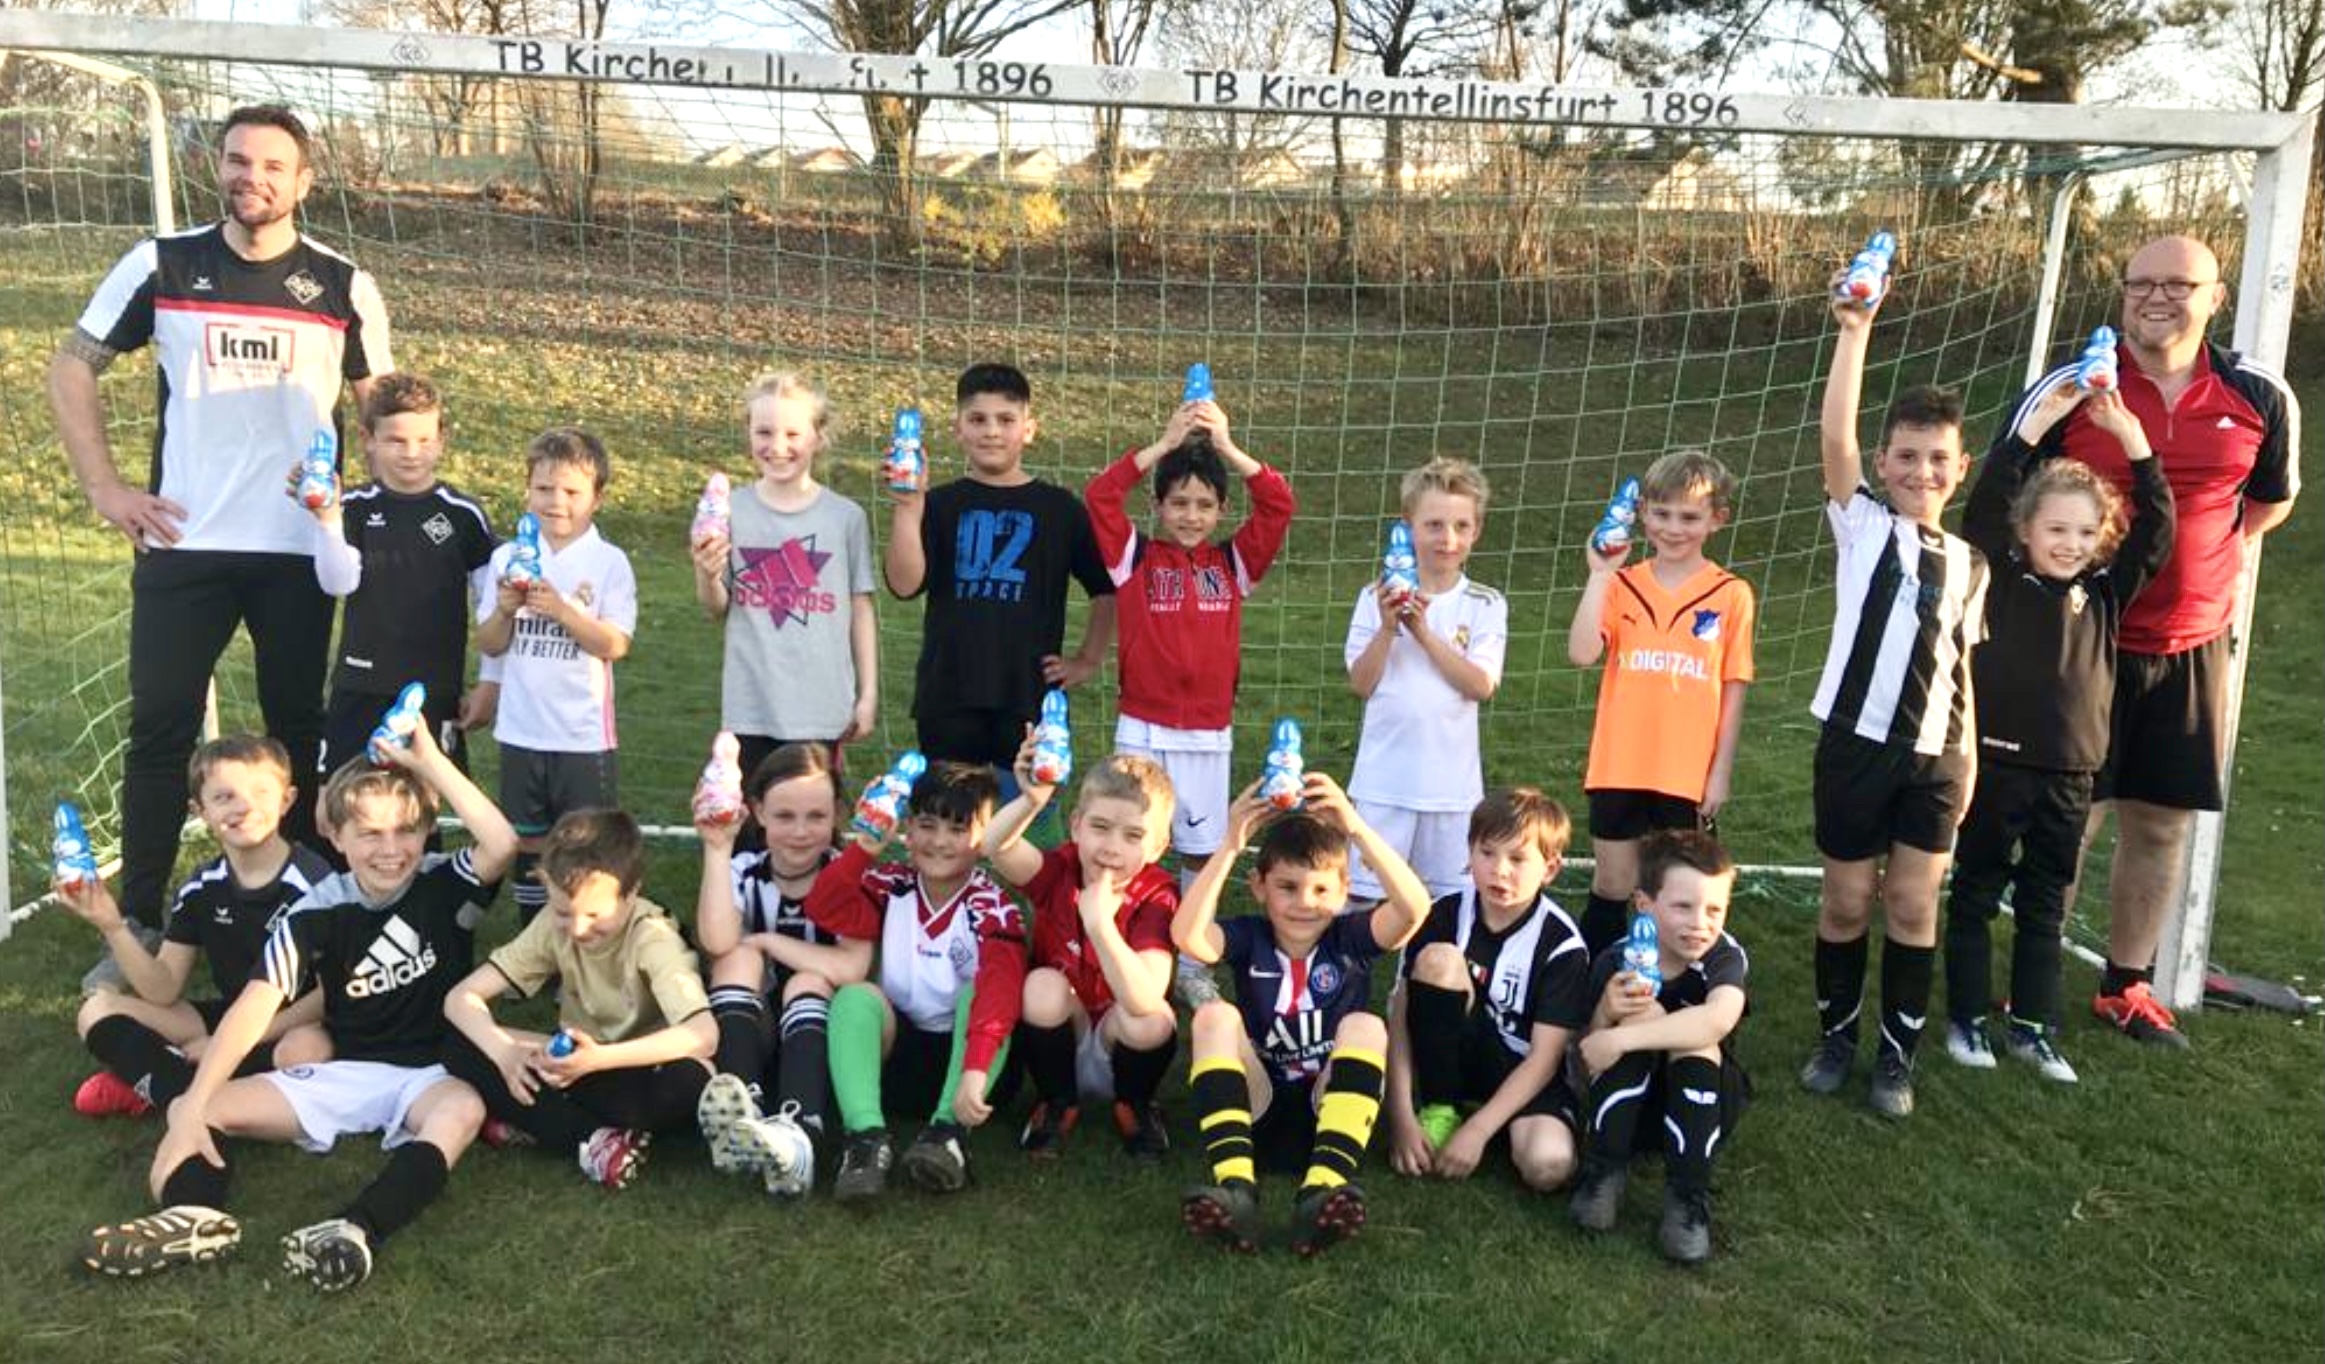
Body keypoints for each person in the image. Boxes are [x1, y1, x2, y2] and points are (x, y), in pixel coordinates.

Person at [47, 104, 393, 945]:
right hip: (184, 543)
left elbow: (383, 408)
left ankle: (306, 910)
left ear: (304, 182)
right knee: (160, 730)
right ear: (219, 168)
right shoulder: (162, 263)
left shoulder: (343, 283)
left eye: (273, 166)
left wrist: (359, 509)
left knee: (297, 729)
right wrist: (106, 488)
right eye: (239, 161)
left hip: (294, 549)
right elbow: (72, 364)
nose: (253, 178)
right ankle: (140, 918)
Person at [1988, 235, 2299, 1048]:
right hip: (2080, 645)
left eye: (2177, 284)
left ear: (2214, 295)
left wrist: (2195, 567)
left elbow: (2267, 502)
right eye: (2140, 284)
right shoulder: (2072, 386)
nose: (2155, 297)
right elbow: (2004, 496)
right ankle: (2029, 980)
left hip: (2191, 644)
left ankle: (2124, 986)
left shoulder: (2257, 393)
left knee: (2159, 823)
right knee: (2069, 818)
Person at [81, 724, 513, 1291]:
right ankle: (191, 1216)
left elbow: (502, 843)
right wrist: (195, 1102)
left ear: (428, 831)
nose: (391, 849)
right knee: (198, 1108)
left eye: (406, 830)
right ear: (336, 835)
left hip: (430, 1072)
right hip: (346, 1068)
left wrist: (428, 762)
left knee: (461, 1110)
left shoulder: (442, 881)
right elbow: (255, 1004)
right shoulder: (315, 910)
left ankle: (355, 1230)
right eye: (371, 833)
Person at [1945, 385, 2176, 1083]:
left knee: (2045, 906)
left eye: (2083, 532)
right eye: (2055, 530)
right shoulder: (2000, 575)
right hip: (1995, 768)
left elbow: (2158, 530)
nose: (2070, 544)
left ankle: (2032, 1029)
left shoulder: (2103, 592)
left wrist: (2134, 444)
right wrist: (2035, 427)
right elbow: (1984, 504)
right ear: (2025, 530)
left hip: (2072, 775)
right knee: (1975, 894)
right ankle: (1966, 1021)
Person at [1802, 277, 1989, 1120]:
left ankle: (1894, 1058)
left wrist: (1969, 760)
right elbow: (1833, 433)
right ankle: (1836, 1038)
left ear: (1960, 468)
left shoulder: (1970, 563)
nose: (1921, 471)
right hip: (1855, 744)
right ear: (1883, 465)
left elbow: (1962, 668)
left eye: (1937, 459)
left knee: (1912, 905)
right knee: (1846, 901)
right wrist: (1854, 331)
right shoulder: (1862, 526)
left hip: (1936, 758)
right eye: (1906, 457)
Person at [1170, 772, 1429, 1256]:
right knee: (1212, 1016)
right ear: (1259, 886)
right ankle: (1237, 1189)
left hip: (1329, 1116)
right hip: (1253, 1114)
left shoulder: (1349, 938)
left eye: (1321, 889)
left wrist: (1355, 828)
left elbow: (1414, 909)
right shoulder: (1250, 937)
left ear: (1344, 890)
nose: (1304, 904)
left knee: (1366, 1026)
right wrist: (1229, 845)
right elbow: (1187, 936)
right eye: (1287, 887)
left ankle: (1321, 1192)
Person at [1084, 390, 1295, 892]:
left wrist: (1225, 446)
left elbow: (1278, 503)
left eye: (1204, 505)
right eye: (1179, 503)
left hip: (1206, 730)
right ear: (1157, 505)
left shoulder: (1233, 565)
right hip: (1142, 727)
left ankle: (1193, 938)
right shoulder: (1133, 559)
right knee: (1132, 839)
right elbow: (1100, 495)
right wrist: (1164, 445)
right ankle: (1128, 927)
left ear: (1222, 509)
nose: (1191, 516)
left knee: (1201, 849)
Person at [441, 808, 716, 1190]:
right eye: (563, 912)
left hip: (637, 1067)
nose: (578, 928)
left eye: (594, 914)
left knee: (691, 1079)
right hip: (572, 1064)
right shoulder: (550, 925)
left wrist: (599, 1059)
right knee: (460, 1043)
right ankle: (596, 1140)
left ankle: (550, 1125)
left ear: (632, 893)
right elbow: (461, 997)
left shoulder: (653, 937)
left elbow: (704, 1034)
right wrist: (504, 1052)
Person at [788, 760, 1022, 1201]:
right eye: (927, 825)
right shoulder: (890, 885)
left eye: (957, 829)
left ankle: (948, 1136)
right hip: (901, 1060)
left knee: (983, 994)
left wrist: (975, 1072)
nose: (939, 841)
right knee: (855, 997)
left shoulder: (994, 907)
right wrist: (864, 849)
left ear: (984, 839)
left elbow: (1000, 995)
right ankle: (865, 1140)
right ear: (908, 829)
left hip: (973, 1074)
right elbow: (824, 907)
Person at [66, 736, 335, 1119]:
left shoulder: (317, 884)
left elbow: (332, 994)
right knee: (97, 1009)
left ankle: (158, 1081)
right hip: (230, 1016)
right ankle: (184, 1096)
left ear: (287, 800)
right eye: (224, 797)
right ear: (200, 811)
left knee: (306, 1053)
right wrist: (112, 926)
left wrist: (226, 1043)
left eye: (260, 792)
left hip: (296, 1023)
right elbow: (163, 988)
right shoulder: (200, 888)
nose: (244, 806)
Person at [883, 363, 1115, 782]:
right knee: (951, 814)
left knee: (1025, 812)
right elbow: (903, 585)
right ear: (958, 429)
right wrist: (908, 507)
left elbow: (1105, 588)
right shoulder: (939, 504)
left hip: (1026, 695)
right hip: (949, 692)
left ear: (1028, 429)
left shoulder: (1060, 509)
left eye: (1006, 420)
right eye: (978, 419)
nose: (991, 431)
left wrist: (1088, 659)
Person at [1566, 450, 1755, 957]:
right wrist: (1600, 574)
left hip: (1685, 771)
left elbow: (1733, 685)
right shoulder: (1622, 584)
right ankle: (1590, 988)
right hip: (1619, 763)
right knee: (1613, 884)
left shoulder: (1732, 594)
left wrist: (1720, 771)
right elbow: (1581, 653)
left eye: (1689, 517)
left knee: (1678, 891)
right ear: (1643, 514)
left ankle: (1673, 989)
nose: (1673, 528)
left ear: (1717, 519)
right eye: (1662, 514)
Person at [1385, 786, 1589, 1194]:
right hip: (1459, 1054)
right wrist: (1400, 1116)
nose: (1500, 870)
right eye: (1487, 853)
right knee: (1439, 961)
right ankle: (1441, 1106)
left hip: (1522, 1071)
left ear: (1550, 869)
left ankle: (1488, 1122)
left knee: (1548, 1166)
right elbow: (1400, 1018)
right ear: (1470, 853)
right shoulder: (1442, 914)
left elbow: (1545, 1058)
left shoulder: (1562, 945)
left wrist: (1479, 1130)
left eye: (1518, 859)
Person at [982, 743, 1181, 1161]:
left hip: (1119, 1042)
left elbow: (1144, 998)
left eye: (1133, 836)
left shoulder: (1158, 894)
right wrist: (1031, 801)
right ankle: (1057, 1102)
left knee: (1154, 1019)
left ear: (1158, 847)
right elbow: (995, 846)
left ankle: (1134, 1104)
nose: (1111, 847)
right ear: (1075, 826)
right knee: (1040, 984)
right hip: (1061, 1037)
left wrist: (1100, 925)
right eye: (1100, 827)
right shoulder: (1061, 869)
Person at [693, 744, 870, 1194]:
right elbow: (716, 941)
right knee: (737, 957)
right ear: (758, 812)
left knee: (809, 978)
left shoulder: (849, 876)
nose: (801, 832)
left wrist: (771, 941)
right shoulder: (743, 870)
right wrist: (717, 847)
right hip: (754, 1030)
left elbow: (852, 967)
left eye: (816, 816)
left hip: (824, 1044)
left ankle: (800, 1131)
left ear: (837, 814)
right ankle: (743, 1108)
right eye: (785, 816)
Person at [1566, 829, 1748, 1266]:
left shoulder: (1724, 957)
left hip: (1702, 1105)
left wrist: (1620, 1036)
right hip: (1625, 1109)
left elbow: (1718, 1019)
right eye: (1683, 906)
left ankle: (1687, 1197)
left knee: (1698, 1042)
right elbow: (1585, 1054)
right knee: (1639, 1011)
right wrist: (1604, 1015)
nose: (1700, 923)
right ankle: (1604, 1172)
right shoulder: (1617, 960)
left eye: (1714, 909)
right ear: (1644, 904)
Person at [475, 428, 637, 918]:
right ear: (527, 490)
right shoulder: (507, 559)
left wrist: (564, 613)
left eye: (572, 491)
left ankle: (587, 933)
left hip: (581, 736)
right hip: (521, 730)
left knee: (586, 843)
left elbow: (615, 644)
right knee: (527, 840)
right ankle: (535, 934)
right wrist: (505, 610)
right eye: (544, 489)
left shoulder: (609, 562)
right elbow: (489, 642)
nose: (556, 502)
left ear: (597, 498)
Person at [689, 372, 878, 792]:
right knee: (752, 820)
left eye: (793, 433)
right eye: (764, 432)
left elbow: (861, 609)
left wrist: (867, 695)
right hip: (751, 706)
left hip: (823, 707)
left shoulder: (845, 517)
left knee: (812, 817)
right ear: (748, 433)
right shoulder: (729, 511)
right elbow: (716, 606)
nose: (777, 447)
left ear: (818, 436)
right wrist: (707, 572)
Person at [305, 373, 498, 780]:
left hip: (434, 688)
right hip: (361, 683)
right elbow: (337, 583)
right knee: (342, 797)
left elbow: (492, 606)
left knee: (427, 800)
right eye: (396, 440)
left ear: (442, 439)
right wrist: (327, 521)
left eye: (424, 440)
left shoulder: (463, 516)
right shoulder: (353, 507)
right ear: (368, 439)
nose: (412, 453)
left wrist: (490, 682)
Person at [1345, 456, 1507, 901]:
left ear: (1477, 530)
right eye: (1434, 525)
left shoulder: (1485, 603)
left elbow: (1480, 685)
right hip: (1383, 785)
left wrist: (1422, 632)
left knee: (1448, 906)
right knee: (1365, 902)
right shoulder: (1373, 597)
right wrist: (1387, 629)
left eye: (1461, 526)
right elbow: (1361, 684)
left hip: (1451, 793)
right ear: (1408, 525)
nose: (1447, 539)